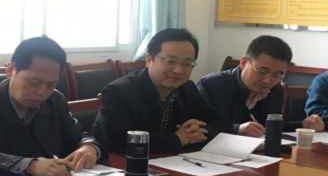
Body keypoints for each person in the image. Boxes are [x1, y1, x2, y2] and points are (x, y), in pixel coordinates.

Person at [0, 36, 107, 176]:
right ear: (10, 70)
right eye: (34, 82)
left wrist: (89, 146)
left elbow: (78, 136)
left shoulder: (55, 100)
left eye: (51, 84)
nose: (42, 92)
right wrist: (30, 166)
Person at [92, 28, 232, 153]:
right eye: (170, 61)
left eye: (187, 64)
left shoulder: (187, 88)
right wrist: (177, 139)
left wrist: (198, 133)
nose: (178, 70)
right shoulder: (118, 91)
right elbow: (119, 141)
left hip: (174, 164)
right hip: (124, 166)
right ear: (149, 60)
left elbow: (222, 122)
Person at [197, 35, 324, 136]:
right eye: (262, 72)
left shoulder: (276, 90)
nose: (267, 81)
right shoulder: (211, 85)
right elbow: (199, 126)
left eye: (277, 75)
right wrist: (236, 129)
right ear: (243, 62)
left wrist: (303, 125)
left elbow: (272, 126)